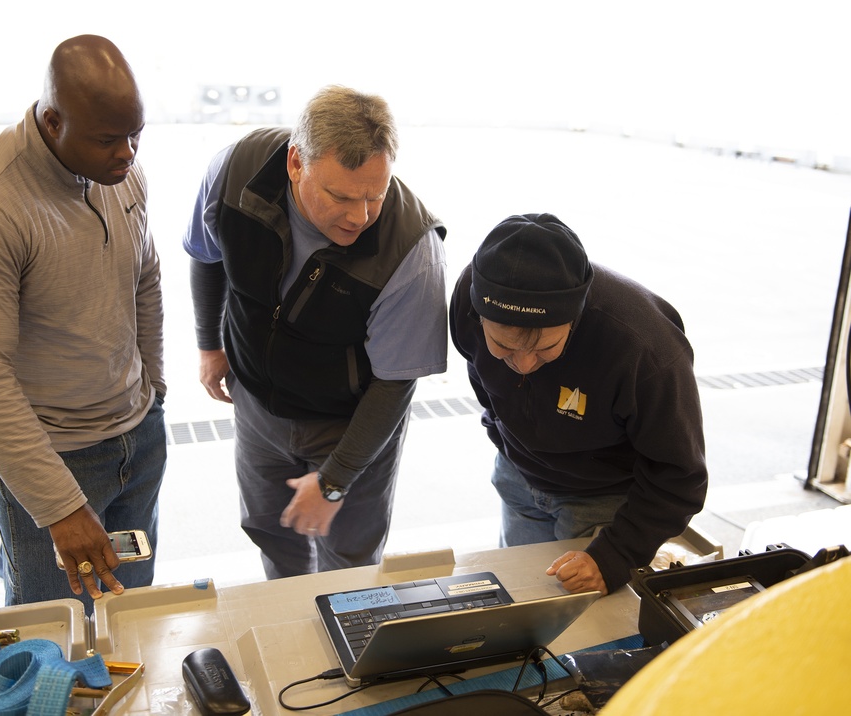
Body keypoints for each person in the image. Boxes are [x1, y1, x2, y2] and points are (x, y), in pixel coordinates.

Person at [0, 35, 166, 613]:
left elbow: (145, 280)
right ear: (53, 121)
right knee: (53, 630)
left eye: (136, 135)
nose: (128, 154)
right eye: (108, 139)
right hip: (54, 456)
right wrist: (58, 505)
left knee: (133, 616)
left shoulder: (120, 173)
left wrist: (153, 392)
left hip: (137, 433)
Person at [184, 85, 448, 579]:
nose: (360, 216)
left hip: (350, 421)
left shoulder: (411, 250)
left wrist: (335, 481)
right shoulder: (234, 172)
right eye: (341, 197)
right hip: (258, 405)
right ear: (294, 164)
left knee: (348, 561)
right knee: (272, 535)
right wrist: (209, 344)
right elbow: (207, 253)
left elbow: (394, 385)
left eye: (375, 195)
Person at [449, 213, 708, 596]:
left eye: (544, 349)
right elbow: (481, 374)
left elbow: (680, 475)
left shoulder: (645, 350)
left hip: (604, 503)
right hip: (519, 480)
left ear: (576, 318)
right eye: (503, 346)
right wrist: (502, 434)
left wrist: (615, 554)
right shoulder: (468, 296)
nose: (522, 364)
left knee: (586, 627)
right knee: (521, 603)